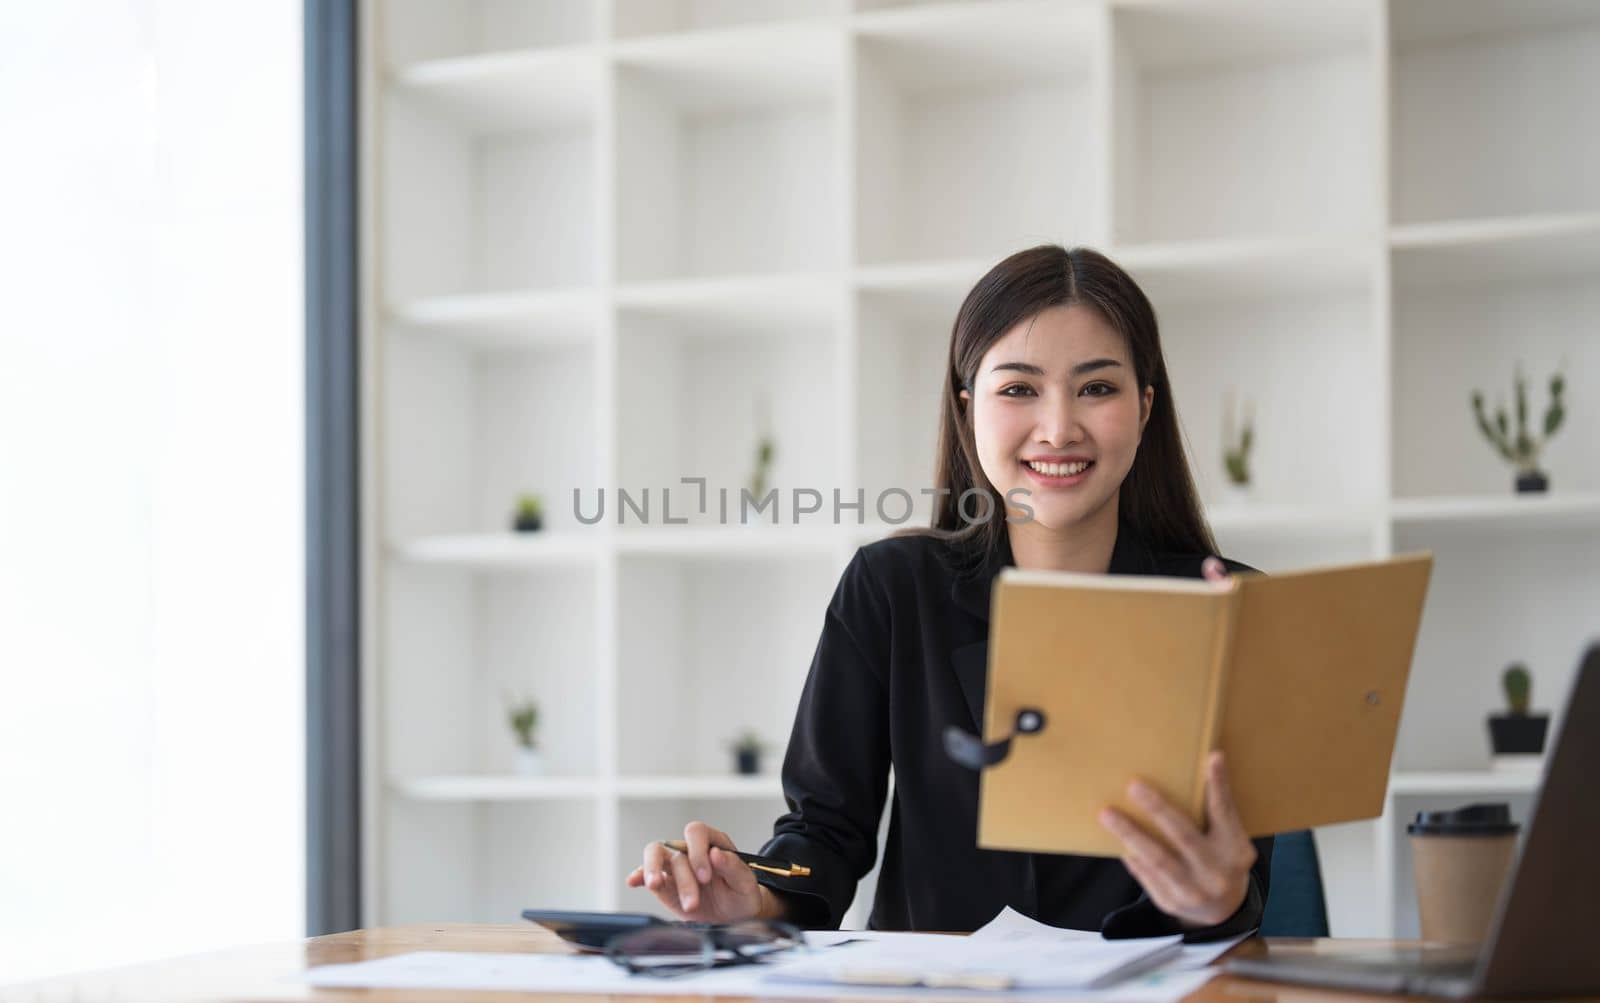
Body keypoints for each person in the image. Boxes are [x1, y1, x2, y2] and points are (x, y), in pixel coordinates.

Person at [624, 245, 1273, 940]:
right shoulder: (891, 589)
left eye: (1097, 388)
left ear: (1145, 409)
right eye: (1019, 388)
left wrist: (1218, 897)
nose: (1058, 427)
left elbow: (1242, 876)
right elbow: (824, 835)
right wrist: (757, 897)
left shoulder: (1229, 605)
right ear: (969, 410)